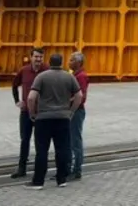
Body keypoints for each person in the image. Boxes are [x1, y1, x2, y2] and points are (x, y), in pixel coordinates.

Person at [25, 54, 83, 190]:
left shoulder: (42, 77)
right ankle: (61, 179)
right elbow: (79, 95)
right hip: (63, 118)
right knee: (62, 149)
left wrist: (33, 113)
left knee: (42, 151)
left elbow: (31, 98)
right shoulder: (69, 77)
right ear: (61, 63)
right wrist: (71, 111)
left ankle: (38, 181)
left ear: (49, 62)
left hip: (43, 119)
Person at [9, 47, 45, 178]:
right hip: (26, 112)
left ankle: (39, 169)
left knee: (40, 141)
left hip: (41, 112)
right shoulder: (24, 70)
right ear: (31, 57)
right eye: (36, 57)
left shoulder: (46, 70)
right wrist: (17, 101)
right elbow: (14, 85)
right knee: (25, 139)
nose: (38, 60)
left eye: (40, 57)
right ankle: (21, 168)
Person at [68, 52, 89, 181]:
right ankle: (72, 168)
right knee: (72, 140)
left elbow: (81, 96)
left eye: (71, 60)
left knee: (75, 141)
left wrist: (68, 103)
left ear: (78, 62)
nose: (69, 62)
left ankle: (76, 170)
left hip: (76, 111)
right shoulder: (74, 75)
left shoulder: (81, 76)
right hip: (74, 110)